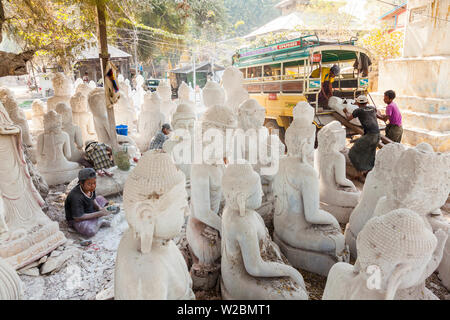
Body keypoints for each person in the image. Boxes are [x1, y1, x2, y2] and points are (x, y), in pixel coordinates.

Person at [65, 168, 118, 238]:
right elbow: (78, 217)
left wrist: (99, 208)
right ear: (81, 183)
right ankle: (100, 222)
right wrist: (100, 213)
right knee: (90, 230)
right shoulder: (76, 196)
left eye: (94, 183)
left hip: (89, 210)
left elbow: (93, 199)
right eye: (89, 184)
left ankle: (96, 219)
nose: (93, 186)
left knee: (100, 199)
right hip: (77, 219)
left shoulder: (90, 188)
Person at [343, 95, 380, 173]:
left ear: (357, 103)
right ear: (366, 102)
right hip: (378, 135)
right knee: (371, 153)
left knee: (353, 152)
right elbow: (376, 113)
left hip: (370, 136)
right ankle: (370, 171)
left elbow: (348, 118)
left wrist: (346, 111)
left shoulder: (358, 110)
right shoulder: (372, 108)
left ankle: (360, 171)